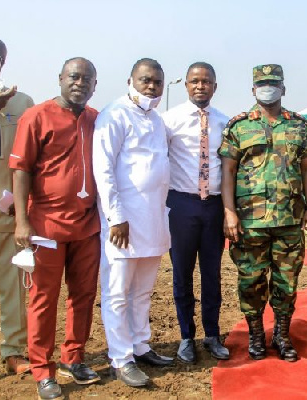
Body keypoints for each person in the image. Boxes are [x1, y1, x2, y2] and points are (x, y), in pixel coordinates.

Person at [10, 57, 101, 400]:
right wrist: (22, 219)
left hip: (87, 224)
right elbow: (21, 170)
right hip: (45, 226)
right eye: (74, 76)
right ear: (61, 79)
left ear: (95, 84)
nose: (80, 82)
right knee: (44, 299)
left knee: (83, 295)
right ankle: (43, 370)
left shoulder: (96, 119)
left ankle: (73, 358)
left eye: (87, 78)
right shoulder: (37, 116)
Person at [219, 64, 307, 362]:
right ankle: (256, 334)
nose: (268, 87)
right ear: (253, 89)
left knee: (286, 284)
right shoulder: (239, 126)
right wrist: (230, 213)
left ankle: (282, 334)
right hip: (250, 222)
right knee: (251, 282)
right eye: (262, 83)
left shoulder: (299, 126)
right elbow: (228, 172)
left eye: (274, 83)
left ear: (284, 88)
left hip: (289, 220)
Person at [93, 58, 173, 388]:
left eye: (157, 82)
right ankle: (120, 357)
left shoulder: (157, 119)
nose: (151, 86)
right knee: (117, 292)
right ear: (130, 80)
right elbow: (104, 169)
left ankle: (140, 345)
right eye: (145, 80)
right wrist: (116, 217)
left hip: (153, 219)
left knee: (142, 292)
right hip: (122, 223)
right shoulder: (114, 114)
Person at [162, 61, 230, 363]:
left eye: (206, 82)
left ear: (215, 87)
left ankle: (212, 334)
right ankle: (186, 336)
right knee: (182, 274)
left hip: (213, 207)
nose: (200, 86)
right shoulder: (168, 121)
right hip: (181, 205)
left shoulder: (225, 123)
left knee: (212, 274)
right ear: (186, 85)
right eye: (194, 81)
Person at [0, 36, 32, 375]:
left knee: (13, 288)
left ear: (2, 63)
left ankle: (14, 350)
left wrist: (25, 206)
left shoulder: (23, 101)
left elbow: (30, 157)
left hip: (6, 212)